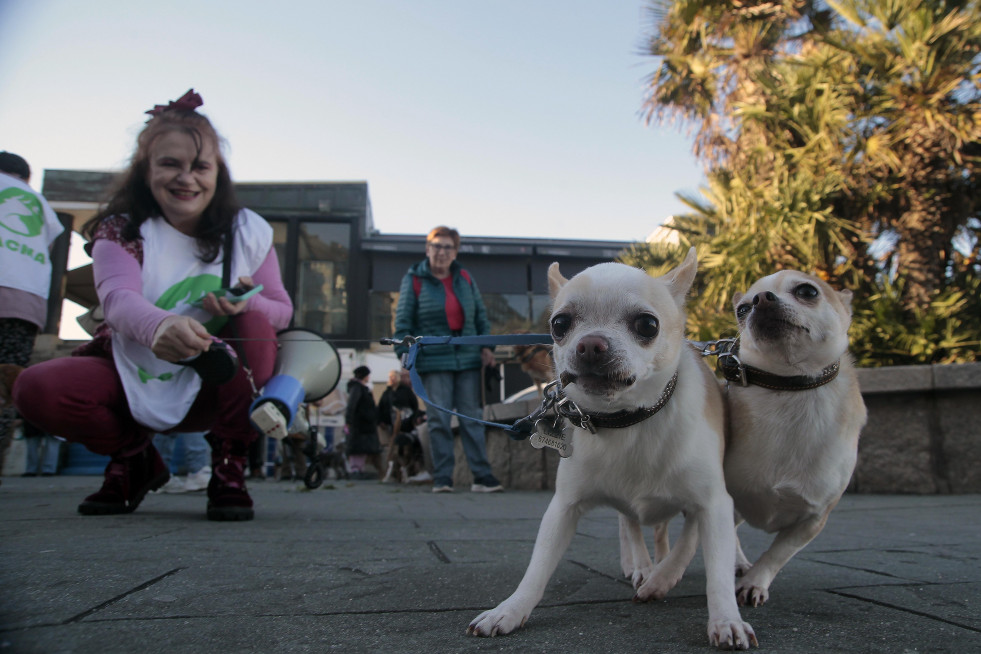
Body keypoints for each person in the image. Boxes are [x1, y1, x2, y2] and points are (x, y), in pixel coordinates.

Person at [12, 89, 293, 521]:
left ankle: (229, 464)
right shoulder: (122, 229)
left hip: (214, 383)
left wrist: (241, 308)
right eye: (170, 164)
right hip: (129, 370)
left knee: (255, 319)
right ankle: (134, 457)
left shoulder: (248, 231)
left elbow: (281, 309)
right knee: (36, 388)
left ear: (219, 172)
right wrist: (161, 327)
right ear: (145, 170)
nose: (187, 179)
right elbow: (118, 299)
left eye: (200, 166)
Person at [393, 226, 503, 493]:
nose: (442, 252)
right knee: (438, 419)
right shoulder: (414, 279)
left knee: (472, 418)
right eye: (437, 246)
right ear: (427, 248)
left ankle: (481, 476)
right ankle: (443, 477)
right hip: (433, 360)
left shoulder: (464, 276)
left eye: (448, 247)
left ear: (455, 252)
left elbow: (479, 315)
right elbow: (404, 321)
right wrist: (405, 359)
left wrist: (487, 346)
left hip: (466, 356)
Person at [0, 151, 65, 477]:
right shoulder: (40, 204)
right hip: (24, 300)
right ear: (25, 177)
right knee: (6, 385)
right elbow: (47, 250)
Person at [344, 365, 383, 479]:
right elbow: (352, 405)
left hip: (364, 424)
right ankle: (356, 469)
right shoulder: (357, 388)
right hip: (360, 424)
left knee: (361, 448)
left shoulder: (360, 388)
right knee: (357, 447)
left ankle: (359, 468)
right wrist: (349, 421)